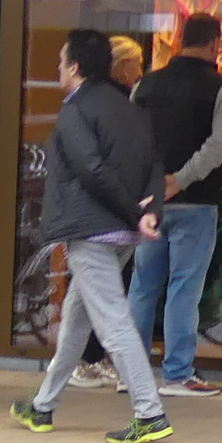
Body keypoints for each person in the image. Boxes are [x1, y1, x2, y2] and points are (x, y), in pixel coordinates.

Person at [13, 29, 171, 443]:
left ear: (76, 67)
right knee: (76, 321)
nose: (57, 69)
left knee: (113, 325)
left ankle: (149, 413)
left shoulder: (74, 110)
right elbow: (156, 163)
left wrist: (136, 213)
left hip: (91, 230)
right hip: (119, 234)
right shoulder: (131, 107)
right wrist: (146, 212)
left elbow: (90, 170)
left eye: (61, 62)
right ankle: (43, 405)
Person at [128, 14, 222, 396]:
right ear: (215, 45)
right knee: (183, 289)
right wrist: (182, 179)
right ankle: (177, 374)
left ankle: (133, 373)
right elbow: (218, 146)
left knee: (142, 286)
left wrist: (155, 183)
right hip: (196, 202)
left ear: (178, 41)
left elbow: (134, 143)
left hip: (149, 204)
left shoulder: (144, 85)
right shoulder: (221, 88)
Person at [71, 36, 151, 392]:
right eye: (136, 63)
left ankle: (47, 399)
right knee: (110, 309)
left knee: (84, 307)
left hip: (104, 221)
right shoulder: (110, 105)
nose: (141, 70)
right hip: (104, 223)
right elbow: (94, 168)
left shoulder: (101, 104)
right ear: (120, 65)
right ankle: (145, 401)